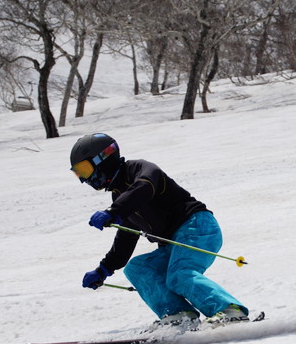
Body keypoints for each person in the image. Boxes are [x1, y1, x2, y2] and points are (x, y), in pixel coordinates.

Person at [70, 133, 248, 327]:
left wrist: (114, 212)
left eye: (85, 170)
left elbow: (144, 188)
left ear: (104, 158)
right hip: (172, 244)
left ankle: (230, 310)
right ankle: (179, 315)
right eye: (78, 173)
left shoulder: (141, 170)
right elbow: (127, 236)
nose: (84, 179)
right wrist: (104, 269)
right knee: (138, 268)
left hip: (197, 227)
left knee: (180, 274)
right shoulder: (119, 195)